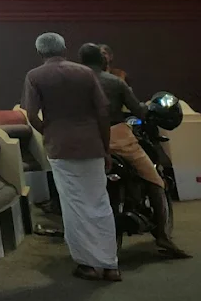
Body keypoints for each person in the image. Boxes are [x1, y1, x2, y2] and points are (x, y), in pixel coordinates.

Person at [21, 32, 118, 282]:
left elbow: (31, 115)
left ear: (40, 52)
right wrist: (105, 148)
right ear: (64, 49)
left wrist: (49, 131)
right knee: (100, 203)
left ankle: (89, 264)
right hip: (92, 144)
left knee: (74, 205)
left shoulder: (35, 76)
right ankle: (110, 264)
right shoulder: (85, 73)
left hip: (61, 148)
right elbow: (103, 111)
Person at [79, 44, 188, 259]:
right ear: (103, 62)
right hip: (117, 139)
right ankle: (162, 235)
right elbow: (138, 110)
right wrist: (147, 109)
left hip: (84, 141)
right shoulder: (114, 82)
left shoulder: (75, 83)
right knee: (155, 181)